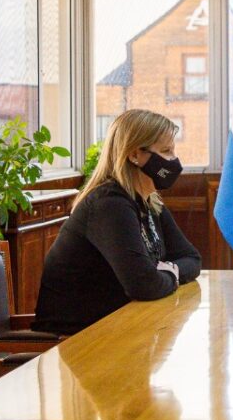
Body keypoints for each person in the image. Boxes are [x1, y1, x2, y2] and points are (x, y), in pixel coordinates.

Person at [32, 109, 201, 334]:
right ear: (135, 155)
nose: (173, 160)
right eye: (165, 151)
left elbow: (192, 259)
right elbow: (144, 284)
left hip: (119, 325)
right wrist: (172, 273)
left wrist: (167, 272)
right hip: (77, 337)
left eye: (173, 150)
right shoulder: (109, 204)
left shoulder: (150, 202)